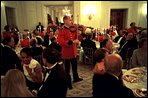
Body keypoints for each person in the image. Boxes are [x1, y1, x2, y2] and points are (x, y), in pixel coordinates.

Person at [57, 15, 83, 89]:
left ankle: (76, 78)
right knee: (67, 69)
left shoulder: (73, 29)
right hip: (66, 53)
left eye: (71, 20)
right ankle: (68, 82)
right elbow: (60, 42)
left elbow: (77, 38)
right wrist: (72, 42)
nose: (71, 21)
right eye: (70, 20)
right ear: (65, 21)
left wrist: (79, 36)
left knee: (75, 67)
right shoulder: (61, 30)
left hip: (73, 52)